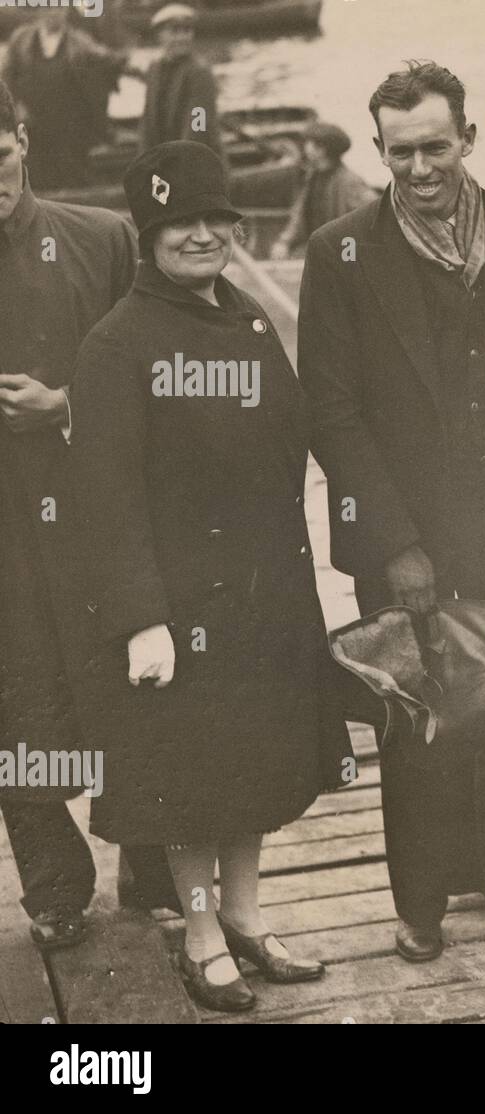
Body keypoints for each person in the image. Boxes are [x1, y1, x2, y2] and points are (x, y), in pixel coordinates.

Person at [297, 61, 485, 963]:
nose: (419, 170)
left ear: (468, 137)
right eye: (399, 153)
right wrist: (396, 545)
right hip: (411, 533)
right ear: (378, 150)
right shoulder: (339, 250)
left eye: (435, 147)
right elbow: (333, 414)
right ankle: (421, 904)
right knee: (422, 719)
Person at [70, 141, 351, 1011]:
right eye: (177, 223)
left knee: (257, 762)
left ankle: (243, 915)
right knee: (192, 778)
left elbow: (291, 437)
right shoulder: (119, 343)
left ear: (235, 226)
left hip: (266, 590)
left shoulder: (249, 319)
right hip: (181, 606)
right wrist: (141, 619)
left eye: (214, 220)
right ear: (149, 237)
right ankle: (198, 937)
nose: (200, 236)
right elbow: (105, 501)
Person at [0, 77, 177, 953]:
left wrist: (63, 404)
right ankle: (56, 884)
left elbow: (153, 372)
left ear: (23, 138)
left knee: (129, 677)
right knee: (15, 695)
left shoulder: (103, 238)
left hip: (96, 510)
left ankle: (149, 865)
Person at [0, 7, 127, 190]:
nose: (53, 13)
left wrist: (125, 63)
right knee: (35, 172)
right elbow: (6, 76)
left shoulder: (79, 41)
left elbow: (106, 60)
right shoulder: (22, 39)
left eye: (59, 8)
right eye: (49, 7)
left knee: (71, 172)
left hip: (69, 122)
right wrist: (16, 107)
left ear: (66, 12)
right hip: (32, 121)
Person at [270, 122, 376, 260]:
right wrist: (284, 242)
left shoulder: (349, 181)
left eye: (310, 143)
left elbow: (373, 217)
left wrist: (351, 255)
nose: (305, 148)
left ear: (322, 149)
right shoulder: (312, 177)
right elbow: (299, 215)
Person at [138, 4, 223, 158]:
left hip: (197, 161)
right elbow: (148, 120)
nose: (182, 38)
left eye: (186, 31)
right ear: (160, 35)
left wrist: (180, 162)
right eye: (174, 31)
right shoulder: (154, 69)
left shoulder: (199, 72)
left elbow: (199, 127)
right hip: (165, 156)